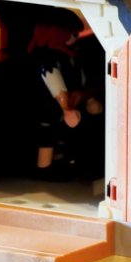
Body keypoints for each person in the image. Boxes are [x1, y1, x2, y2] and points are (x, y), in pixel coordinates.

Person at [28, 10, 102, 177]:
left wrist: (88, 97)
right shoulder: (47, 58)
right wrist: (65, 107)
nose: (76, 37)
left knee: (60, 134)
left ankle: (62, 161)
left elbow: (80, 78)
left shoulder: (70, 54)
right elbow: (53, 80)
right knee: (47, 135)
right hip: (49, 108)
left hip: (67, 106)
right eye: (73, 33)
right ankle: (44, 168)